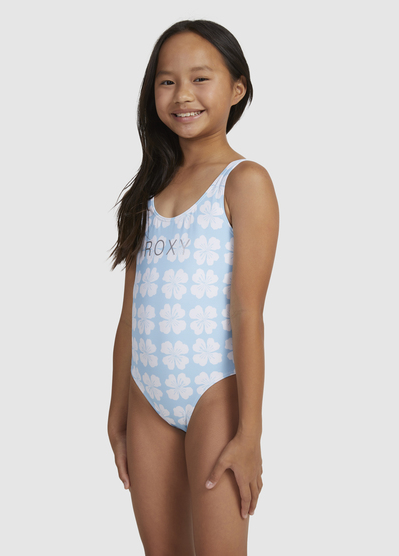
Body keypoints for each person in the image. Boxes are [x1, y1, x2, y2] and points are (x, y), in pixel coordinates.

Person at [107, 19, 279, 556]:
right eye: (167, 81)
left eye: (200, 79)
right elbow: (130, 313)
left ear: (237, 89)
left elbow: (247, 313)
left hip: (214, 393)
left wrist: (250, 434)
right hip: (146, 396)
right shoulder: (148, 191)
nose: (182, 95)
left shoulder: (245, 182)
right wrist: (116, 410)